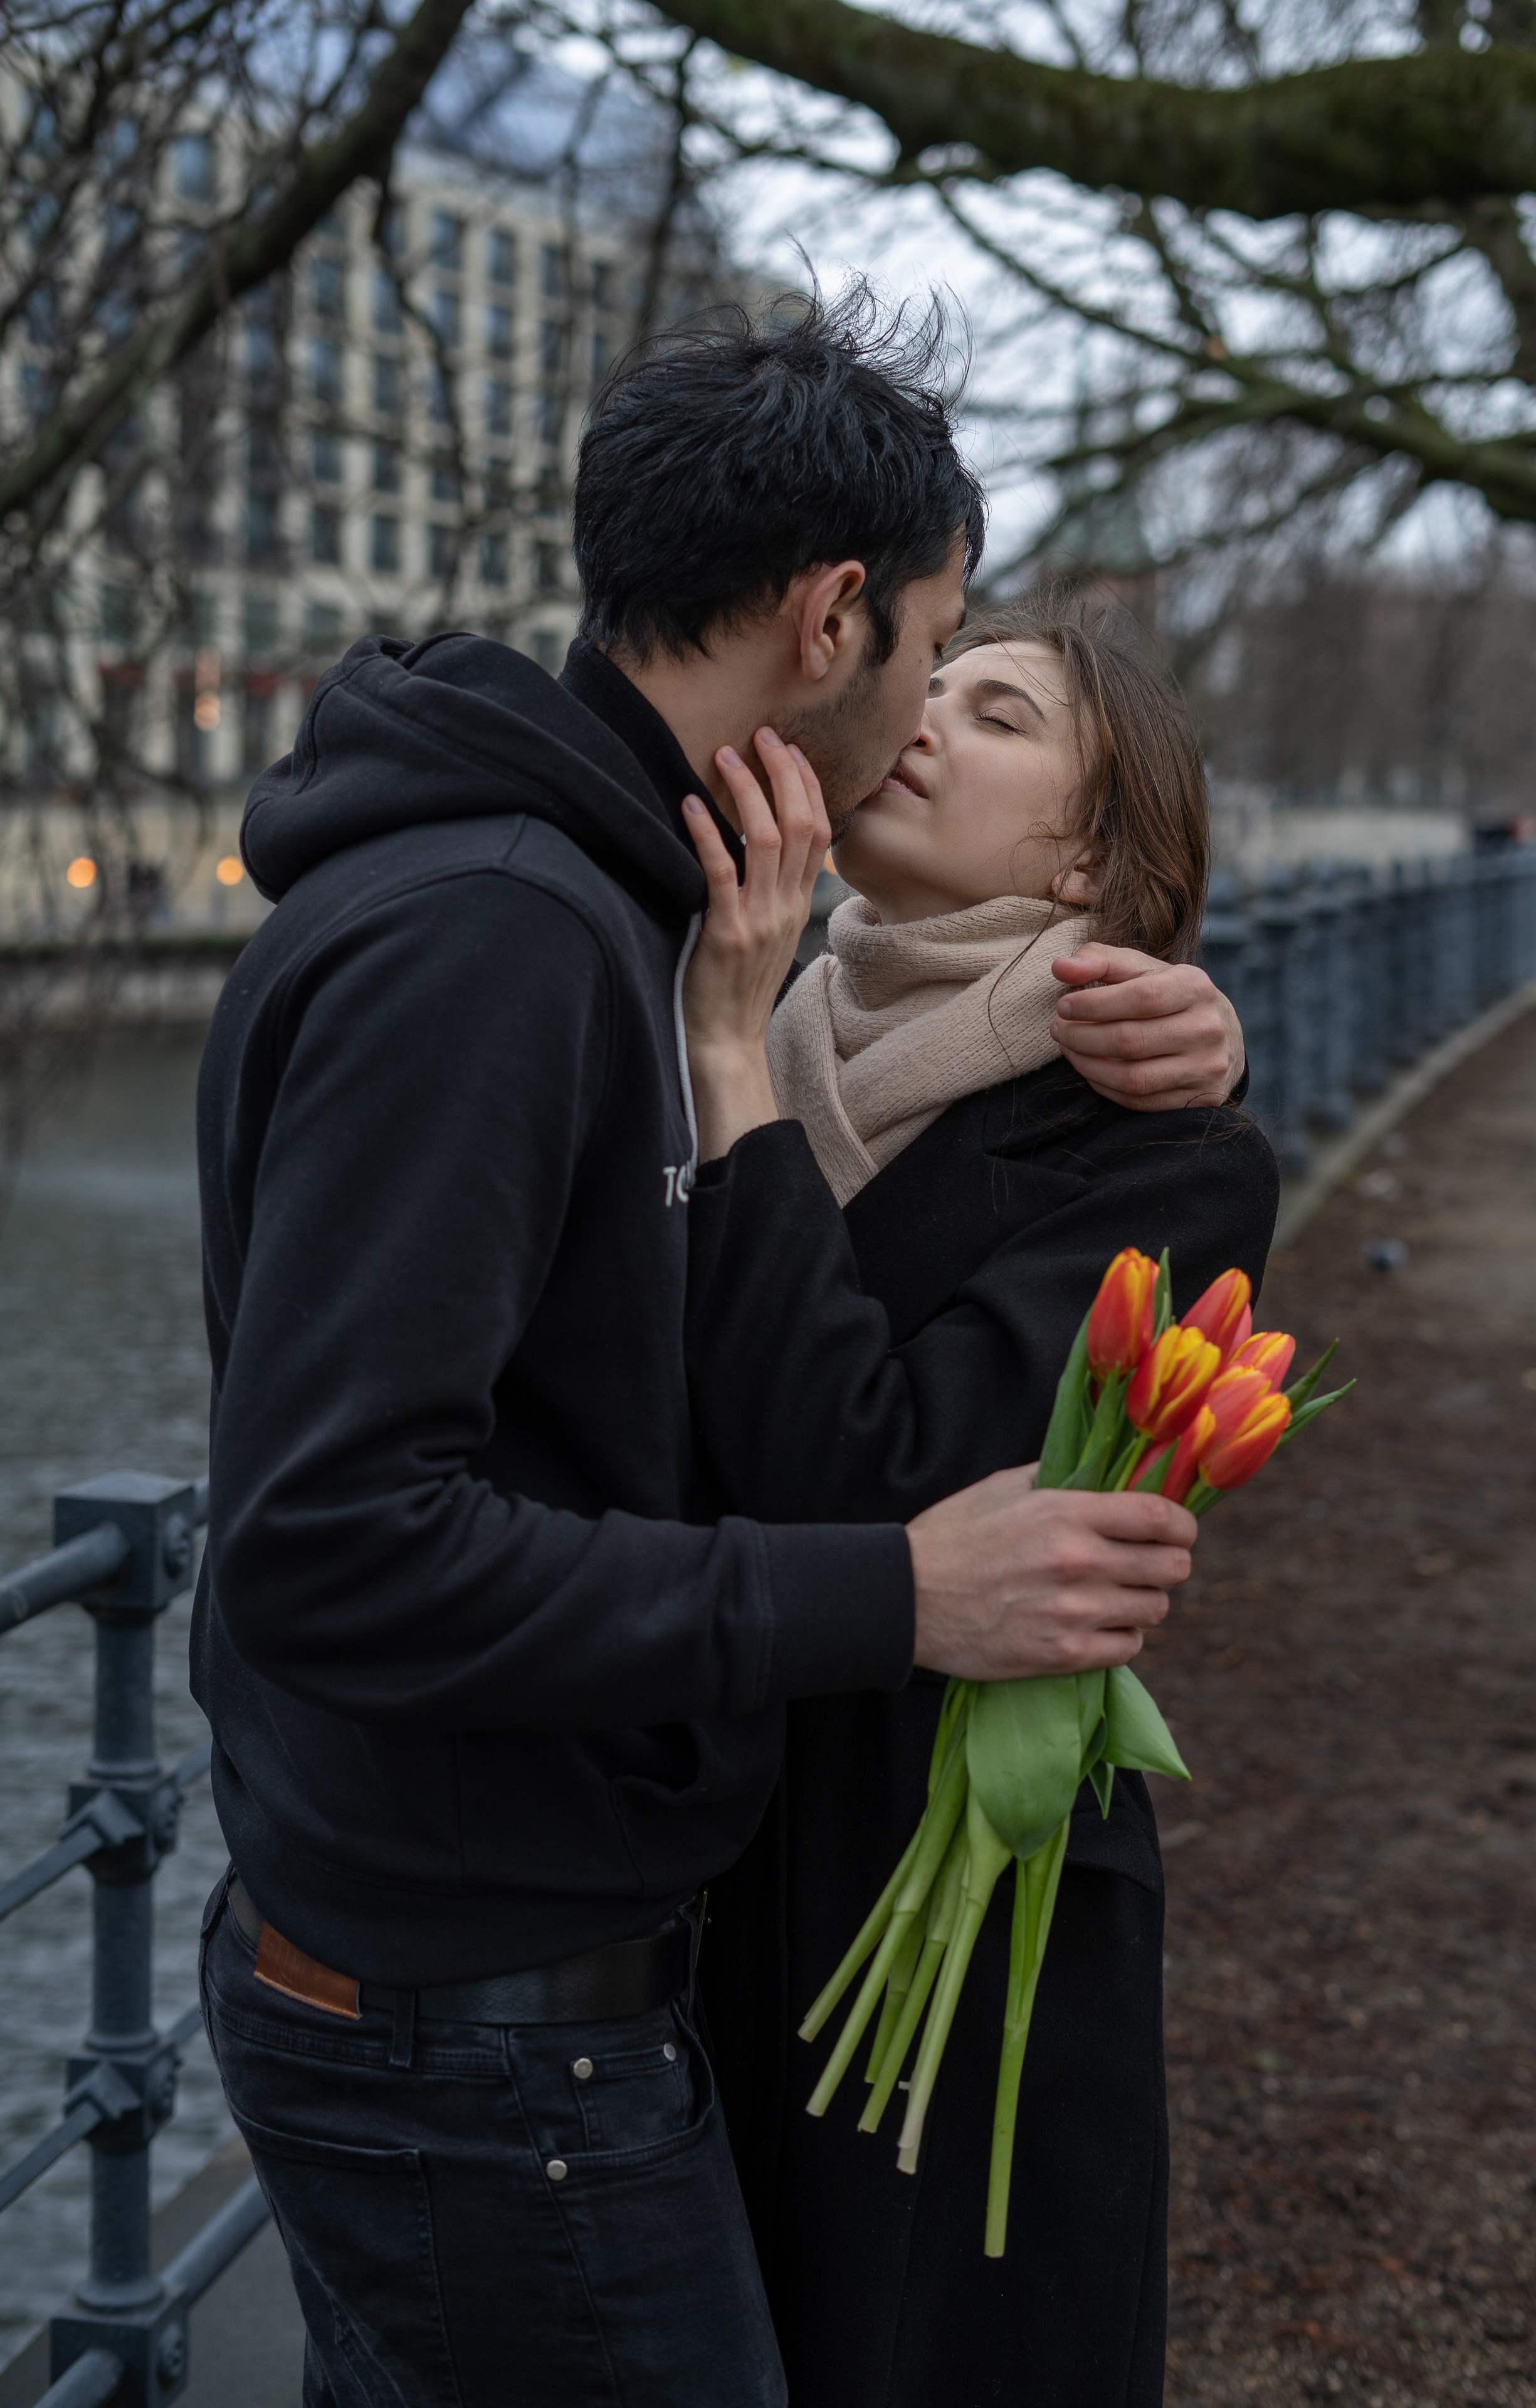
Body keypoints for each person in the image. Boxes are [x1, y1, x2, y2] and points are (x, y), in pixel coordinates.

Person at [192, 291, 1244, 2407]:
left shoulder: (639, 917)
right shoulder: (512, 932)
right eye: (943, 644)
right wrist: (893, 1585)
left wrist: (1190, 1028)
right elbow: (329, 1538)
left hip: (539, 1986)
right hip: (480, 2019)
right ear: (836, 618)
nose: (936, 699)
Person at [676, 586, 1281, 2407]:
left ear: (1099, 855)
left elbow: (873, 1478)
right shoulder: (770, 1003)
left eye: (998, 715)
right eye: (932, 683)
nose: (921, 719)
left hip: (959, 1911)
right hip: (711, 1870)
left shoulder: (1158, 1147)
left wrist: (725, 1066)